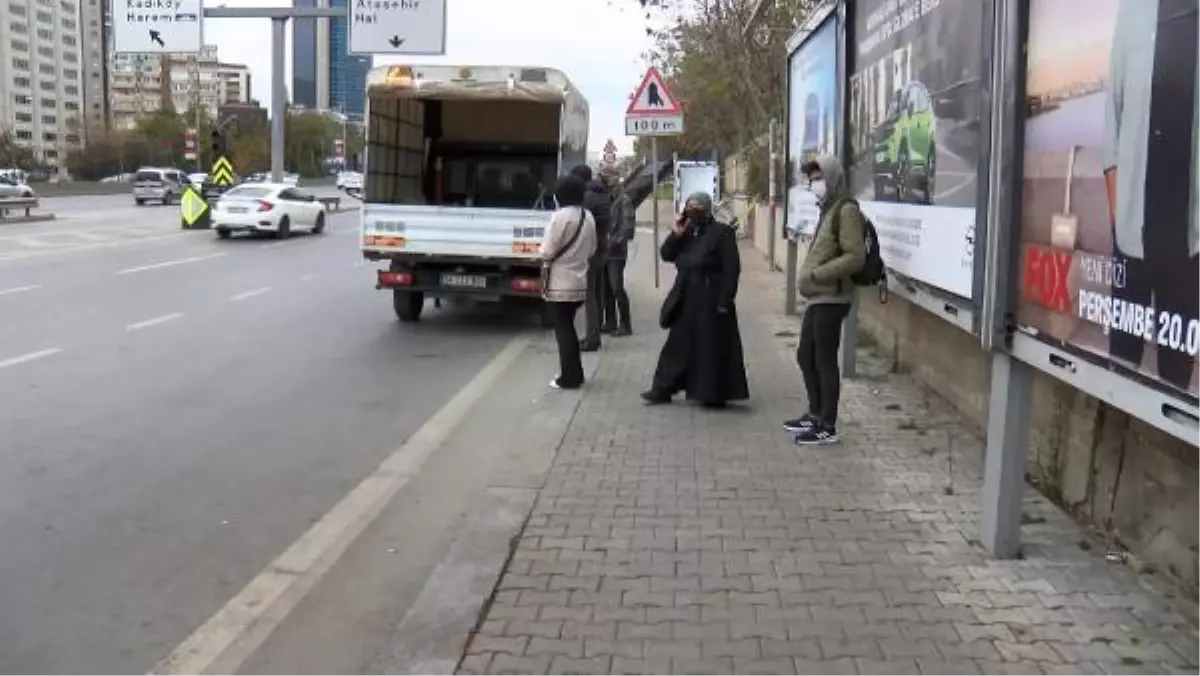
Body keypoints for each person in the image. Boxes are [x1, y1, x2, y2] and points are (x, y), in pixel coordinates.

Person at [1104, 0, 1200, 392]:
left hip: (1188, 235)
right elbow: (1113, 118)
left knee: (1176, 368)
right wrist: (1118, 217)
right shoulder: (1133, 10)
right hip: (1132, 229)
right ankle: (1113, 441)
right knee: (1121, 359)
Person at [784, 156, 866, 445]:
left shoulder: (846, 210)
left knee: (824, 360)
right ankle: (815, 412)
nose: (813, 183)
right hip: (819, 297)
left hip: (833, 295)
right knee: (806, 355)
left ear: (832, 178)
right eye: (811, 178)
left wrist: (819, 275)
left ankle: (827, 425)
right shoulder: (828, 209)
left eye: (818, 177)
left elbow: (856, 257)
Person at [641, 191, 749, 408]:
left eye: (698, 205)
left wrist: (725, 300)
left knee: (709, 346)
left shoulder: (722, 232)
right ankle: (662, 388)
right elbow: (667, 255)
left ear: (708, 208)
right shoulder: (687, 232)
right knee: (677, 345)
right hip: (686, 296)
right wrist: (675, 234)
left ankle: (712, 393)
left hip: (711, 298)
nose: (693, 209)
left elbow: (732, 269)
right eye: (689, 205)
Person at [540, 175, 597, 390]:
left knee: (563, 330)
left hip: (558, 282)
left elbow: (547, 251)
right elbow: (592, 249)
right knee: (569, 327)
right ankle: (576, 373)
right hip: (579, 280)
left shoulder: (560, 217)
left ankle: (569, 377)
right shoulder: (587, 216)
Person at [569, 165, 614, 352]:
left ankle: (592, 339)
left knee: (590, 297)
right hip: (603, 249)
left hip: (591, 251)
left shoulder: (587, 199)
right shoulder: (602, 194)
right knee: (597, 293)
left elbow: (579, 224)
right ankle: (595, 334)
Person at [601, 166, 635, 335]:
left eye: (607, 177)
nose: (604, 180)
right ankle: (610, 322)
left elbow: (627, 229)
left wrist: (611, 242)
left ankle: (626, 324)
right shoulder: (607, 197)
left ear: (616, 178)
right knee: (606, 289)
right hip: (606, 251)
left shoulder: (624, 200)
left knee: (616, 288)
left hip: (616, 252)